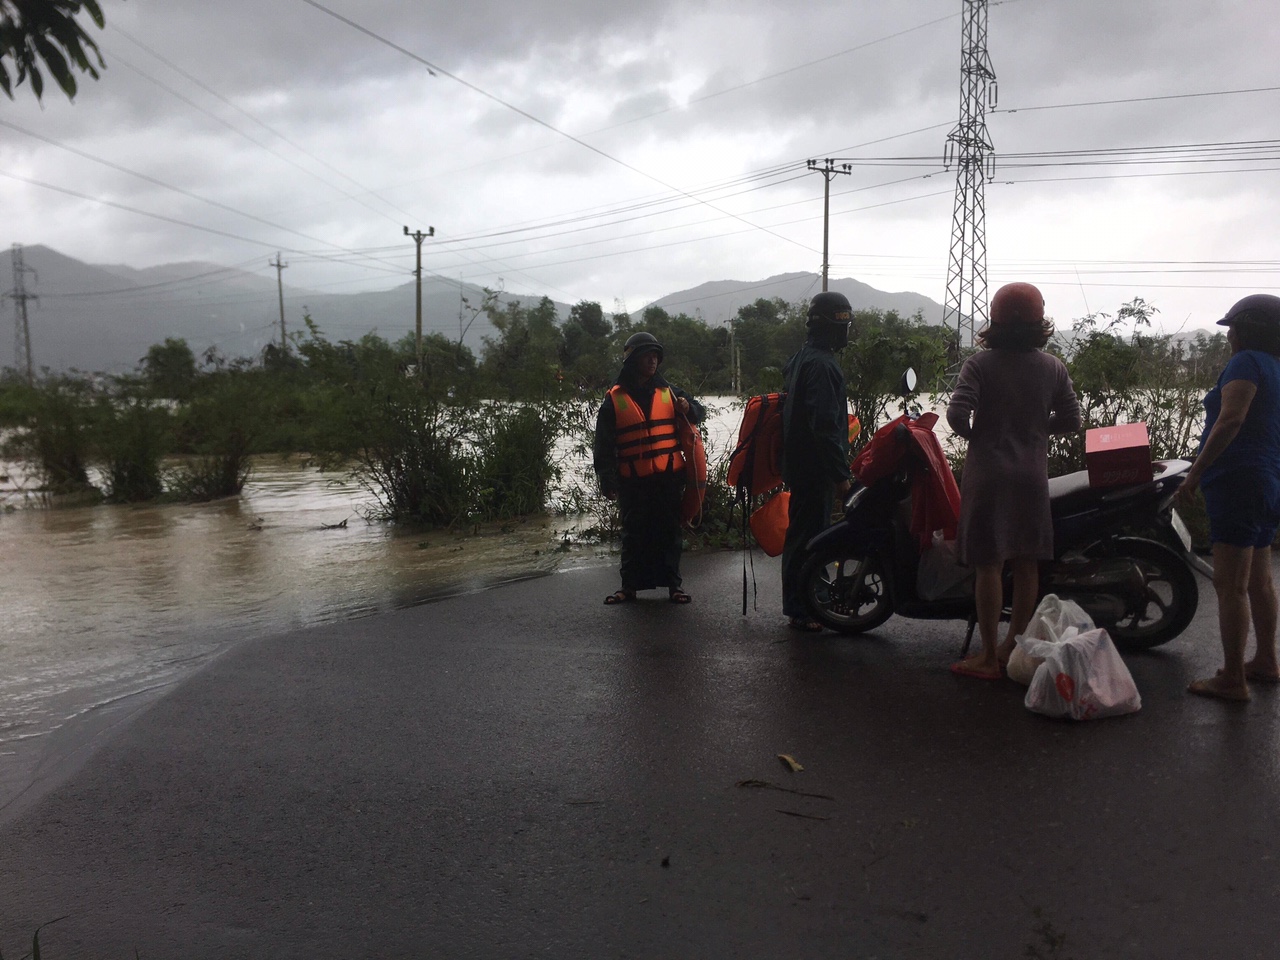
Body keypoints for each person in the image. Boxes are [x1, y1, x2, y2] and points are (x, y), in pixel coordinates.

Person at [945, 282, 1081, 679]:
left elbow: (956, 415)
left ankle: (987, 656)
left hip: (988, 473)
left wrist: (981, 436)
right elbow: (1072, 421)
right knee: (1026, 563)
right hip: (1031, 477)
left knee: (988, 565)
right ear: (1041, 320)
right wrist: (1035, 429)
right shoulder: (1053, 367)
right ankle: (1010, 648)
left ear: (996, 319)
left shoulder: (979, 365)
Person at [1177, 294, 1280, 702]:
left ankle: (1233, 678)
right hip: (1268, 480)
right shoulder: (1276, 367)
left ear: (1248, 330)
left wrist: (1196, 472)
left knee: (1230, 585)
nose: (1229, 337)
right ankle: (1266, 661)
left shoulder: (1246, 362)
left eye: (1232, 328)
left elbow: (1231, 418)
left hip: (1239, 480)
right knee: (1259, 579)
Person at [594, 332, 705, 604]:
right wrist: (606, 480)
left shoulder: (669, 392)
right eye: (647, 356)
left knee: (669, 532)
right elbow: (603, 444)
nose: (653, 361)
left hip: (667, 477)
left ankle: (674, 587)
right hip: (633, 481)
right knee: (633, 534)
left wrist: (688, 406)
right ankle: (628, 587)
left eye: (656, 356)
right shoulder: (614, 398)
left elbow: (699, 413)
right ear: (633, 360)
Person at [781, 292, 854, 632]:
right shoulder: (822, 366)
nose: (845, 331)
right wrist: (841, 476)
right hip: (814, 469)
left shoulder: (802, 358)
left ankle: (808, 602)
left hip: (800, 465)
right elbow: (825, 426)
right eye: (841, 323)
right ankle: (802, 608)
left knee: (803, 535)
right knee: (809, 539)